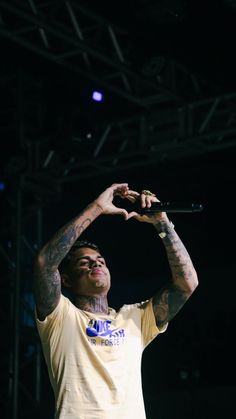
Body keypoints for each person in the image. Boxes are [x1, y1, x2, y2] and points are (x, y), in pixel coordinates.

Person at [33, 182, 198, 419]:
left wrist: (162, 222)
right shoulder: (60, 317)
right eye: (84, 262)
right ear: (66, 280)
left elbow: (187, 284)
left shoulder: (135, 318)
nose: (96, 263)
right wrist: (98, 207)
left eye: (100, 260)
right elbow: (44, 264)